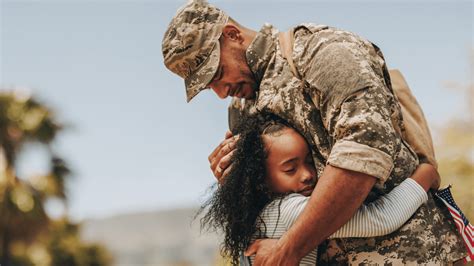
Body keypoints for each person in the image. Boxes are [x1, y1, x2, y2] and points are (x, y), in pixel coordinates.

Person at [162, 1, 467, 264]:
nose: (220, 92)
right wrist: (235, 180)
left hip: (408, 255)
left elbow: (361, 156)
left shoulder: (322, 53)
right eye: (208, 86)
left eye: (217, 74)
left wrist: (290, 248)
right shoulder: (243, 109)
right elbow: (271, 207)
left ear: (231, 34)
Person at [199, 113, 440, 266]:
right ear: (260, 180)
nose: (308, 175)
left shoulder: (256, 216)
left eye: (308, 161)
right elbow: (380, 218)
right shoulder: (288, 210)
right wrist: (425, 174)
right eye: (290, 169)